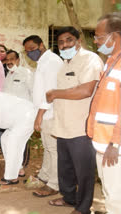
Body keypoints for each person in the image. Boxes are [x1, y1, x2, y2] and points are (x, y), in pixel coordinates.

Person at [45, 27, 103, 214]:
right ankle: (69, 197)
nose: (65, 45)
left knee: (84, 171)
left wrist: (55, 93)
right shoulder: (65, 64)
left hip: (81, 127)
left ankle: (83, 207)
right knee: (66, 168)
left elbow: (85, 90)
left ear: (78, 41)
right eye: (61, 42)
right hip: (63, 126)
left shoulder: (89, 59)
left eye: (69, 40)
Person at [87, 12, 121, 214]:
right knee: (109, 191)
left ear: (115, 36)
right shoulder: (111, 61)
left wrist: (115, 143)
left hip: (114, 146)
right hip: (103, 141)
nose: (96, 40)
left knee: (116, 196)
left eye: (99, 36)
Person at [23, 35, 63, 197]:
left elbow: (51, 92)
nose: (30, 53)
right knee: (48, 147)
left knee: (54, 150)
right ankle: (45, 175)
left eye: (32, 49)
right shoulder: (42, 62)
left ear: (41, 45)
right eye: (26, 51)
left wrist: (39, 115)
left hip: (51, 113)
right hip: (45, 113)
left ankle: (55, 184)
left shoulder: (52, 62)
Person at [3, 49, 34, 177]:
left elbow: (33, 92)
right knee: (9, 140)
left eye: (12, 59)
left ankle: (21, 166)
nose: (9, 62)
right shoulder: (8, 75)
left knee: (22, 142)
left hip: (24, 115)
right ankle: (15, 165)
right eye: (7, 60)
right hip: (11, 115)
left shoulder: (26, 73)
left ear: (18, 60)